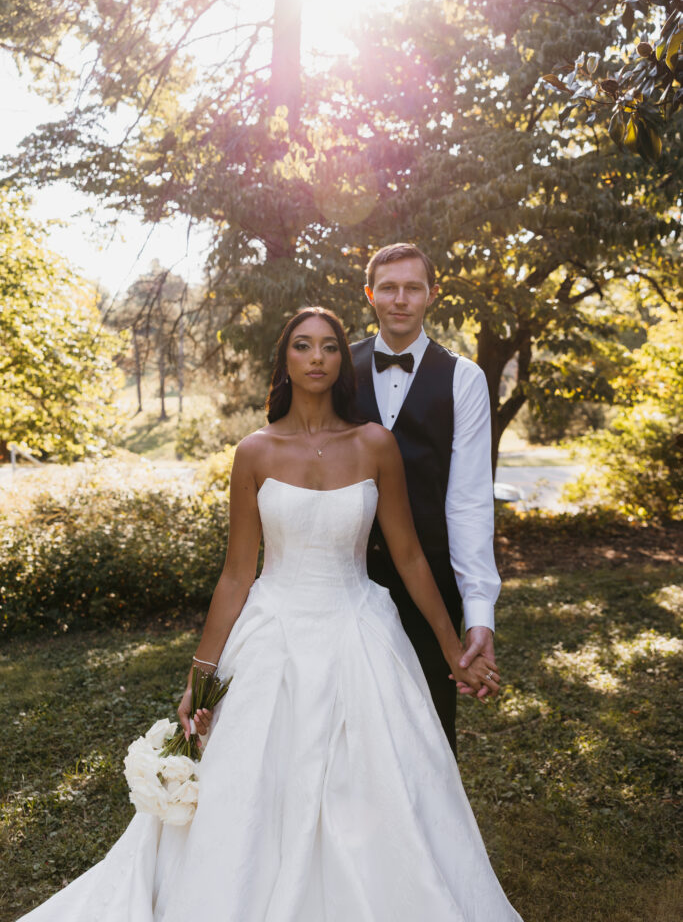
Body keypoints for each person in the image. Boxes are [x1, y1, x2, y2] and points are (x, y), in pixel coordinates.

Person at [17, 307, 522, 922]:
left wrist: (450, 647)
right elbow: (237, 573)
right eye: (304, 346)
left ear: (343, 360)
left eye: (330, 347)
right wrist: (200, 676)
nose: (317, 358)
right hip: (271, 632)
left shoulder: (374, 444)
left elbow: (412, 557)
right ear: (285, 358)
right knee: (249, 788)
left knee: (383, 783)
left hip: (359, 631)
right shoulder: (253, 453)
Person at [351, 243, 501, 755]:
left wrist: (479, 610)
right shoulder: (332, 369)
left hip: (431, 581)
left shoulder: (464, 378)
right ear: (370, 294)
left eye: (412, 287)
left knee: (429, 729)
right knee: (346, 719)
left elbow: (470, 500)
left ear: (432, 295)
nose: (400, 299)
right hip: (345, 576)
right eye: (388, 288)